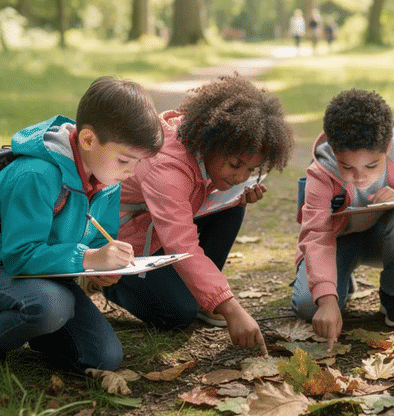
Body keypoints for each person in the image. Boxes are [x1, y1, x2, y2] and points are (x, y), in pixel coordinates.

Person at [0, 77, 165, 371]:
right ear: (89, 140)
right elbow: (19, 256)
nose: (131, 172)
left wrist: (103, 268)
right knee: (51, 307)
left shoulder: (107, 179)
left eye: (138, 163)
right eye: (124, 161)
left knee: (102, 358)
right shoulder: (37, 174)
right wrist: (89, 258)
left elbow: (96, 242)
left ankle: (31, 324)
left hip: (52, 273)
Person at [104, 75, 293, 356]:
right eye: (235, 164)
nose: (241, 176)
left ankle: (204, 296)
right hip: (123, 242)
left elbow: (191, 200)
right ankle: (112, 285)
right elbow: (182, 243)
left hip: (159, 230)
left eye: (251, 170)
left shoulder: (201, 145)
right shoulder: (167, 169)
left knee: (233, 207)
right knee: (179, 313)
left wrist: (230, 196)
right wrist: (230, 307)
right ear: (213, 140)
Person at [292, 88, 394, 350]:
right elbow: (316, 236)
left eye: (371, 166)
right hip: (337, 244)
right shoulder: (321, 172)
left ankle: (393, 294)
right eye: (347, 167)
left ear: (387, 147)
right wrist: (326, 301)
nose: (359, 178)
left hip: (383, 240)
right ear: (335, 152)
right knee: (307, 305)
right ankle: (340, 278)